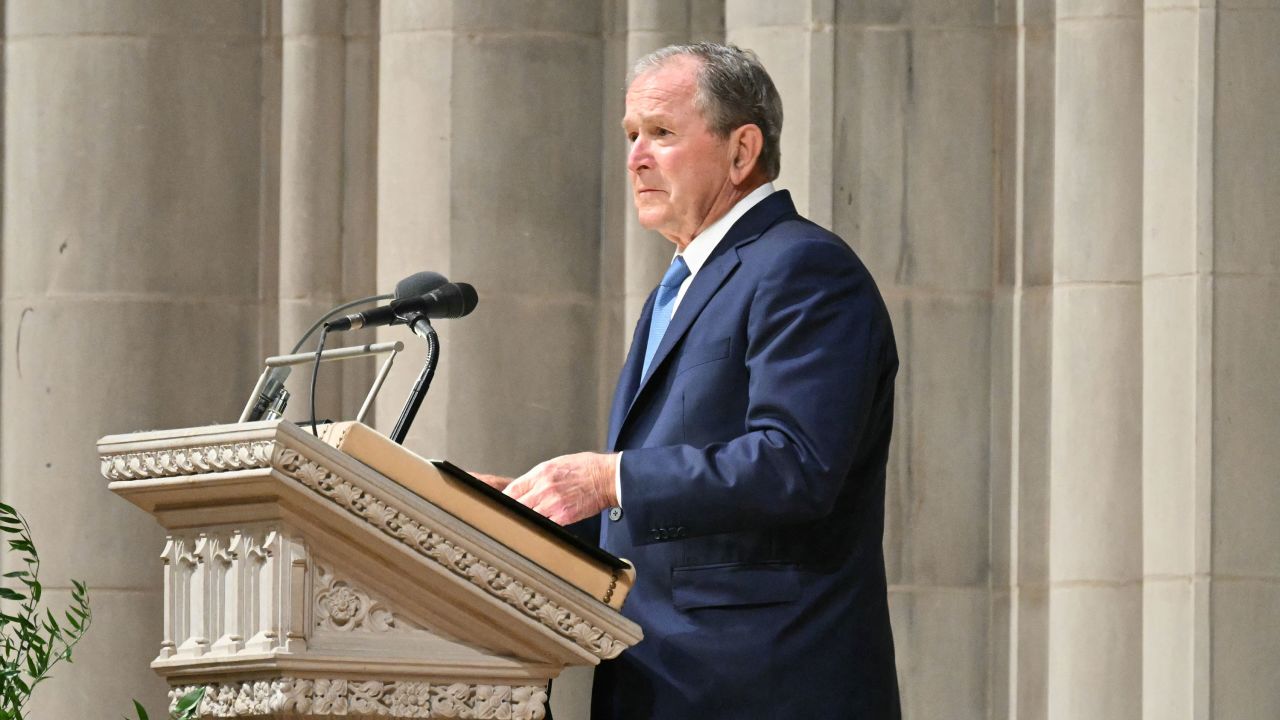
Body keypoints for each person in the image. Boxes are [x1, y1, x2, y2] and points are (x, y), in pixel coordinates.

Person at [479, 43, 901, 719]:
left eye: (662, 134)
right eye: (631, 136)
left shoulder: (804, 270)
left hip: (763, 683)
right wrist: (522, 515)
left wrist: (610, 479)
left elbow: (796, 465)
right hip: (664, 680)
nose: (636, 157)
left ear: (741, 152)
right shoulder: (676, 291)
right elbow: (664, 516)